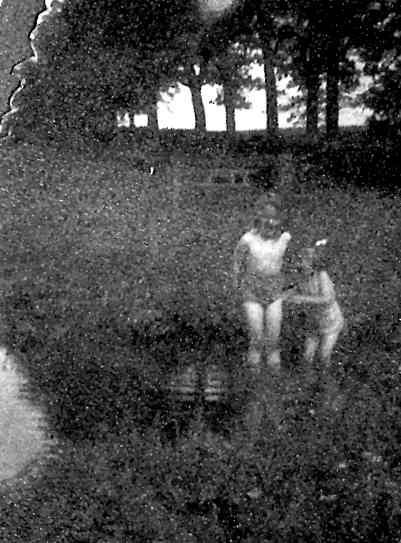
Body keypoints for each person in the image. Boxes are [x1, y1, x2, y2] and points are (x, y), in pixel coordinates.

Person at [233, 195, 291, 375]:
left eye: (275, 219)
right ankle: (254, 379)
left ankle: (273, 383)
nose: (271, 223)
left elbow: (296, 263)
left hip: (275, 291)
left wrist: (291, 287)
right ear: (259, 218)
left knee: (273, 340)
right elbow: (237, 262)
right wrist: (236, 284)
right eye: (266, 218)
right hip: (252, 290)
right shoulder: (248, 239)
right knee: (256, 337)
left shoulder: (286, 239)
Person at [285, 240, 344, 369]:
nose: (301, 264)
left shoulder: (321, 275)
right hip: (313, 323)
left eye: (306, 260)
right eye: (300, 260)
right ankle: (308, 382)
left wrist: (303, 299)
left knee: (323, 356)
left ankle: (325, 381)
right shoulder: (301, 277)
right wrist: (285, 295)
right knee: (307, 356)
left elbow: (327, 298)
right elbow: (297, 289)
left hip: (330, 323)